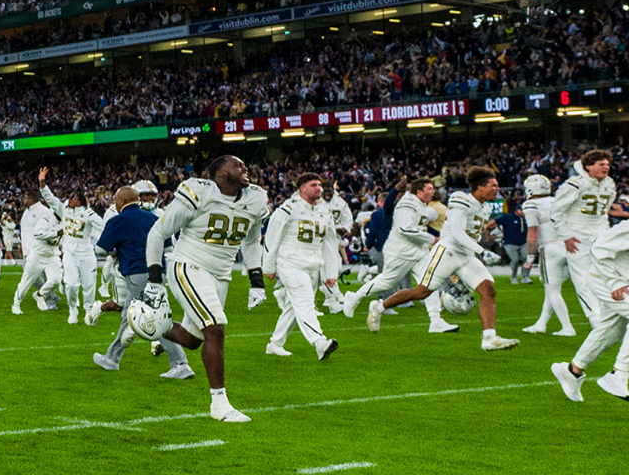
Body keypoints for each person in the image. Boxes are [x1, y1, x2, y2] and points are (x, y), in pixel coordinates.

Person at [143, 155, 269, 422]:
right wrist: (155, 279)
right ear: (220, 173)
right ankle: (219, 404)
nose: (245, 168)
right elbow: (157, 232)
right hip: (188, 265)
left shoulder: (256, 199)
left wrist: (255, 279)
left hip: (221, 274)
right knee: (215, 327)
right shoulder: (199, 192)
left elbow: (251, 240)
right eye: (238, 165)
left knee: (192, 339)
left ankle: (152, 325)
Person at [372, 167, 519, 350]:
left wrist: (478, 250)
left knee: (489, 291)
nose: (497, 189)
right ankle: (379, 307)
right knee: (422, 292)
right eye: (493, 185)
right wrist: (481, 251)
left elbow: (472, 234)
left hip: (466, 255)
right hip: (448, 251)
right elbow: (456, 233)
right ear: (480, 186)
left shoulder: (486, 207)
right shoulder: (461, 198)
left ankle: (489, 338)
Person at [551, 196, 629, 402]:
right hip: (608, 277)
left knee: (612, 331)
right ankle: (618, 374)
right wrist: (615, 283)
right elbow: (600, 247)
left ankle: (572, 371)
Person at [92, 186, 193, 378]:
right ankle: (112, 357)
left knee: (152, 318)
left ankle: (180, 364)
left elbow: (100, 251)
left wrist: (116, 252)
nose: (114, 203)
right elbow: (168, 244)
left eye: (115, 199)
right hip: (158, 271)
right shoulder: (153, 218)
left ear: (121, 201)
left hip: (137, 273)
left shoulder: (117, 221)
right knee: (129, 315)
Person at [343, 179, 443, 328]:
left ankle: (436, 321)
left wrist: (438, 236)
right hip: (400, 251)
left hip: (418, 251)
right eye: (429, 189)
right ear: (419, 191)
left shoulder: (420, 205)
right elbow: (406, 229)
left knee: (430, 282)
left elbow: (420, 227)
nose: (433, 191)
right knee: (387, 281)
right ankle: (355, 297)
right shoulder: (407, 204)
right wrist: (432, 239)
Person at [262, 172, 341, 360]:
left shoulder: (324, 211)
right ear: (302, 188)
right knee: (305, 303)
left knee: (292, 306)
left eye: (319, 184)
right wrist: (268, 266)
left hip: (313, 265)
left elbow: (330, 243)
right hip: (290, 263)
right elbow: (272, 238)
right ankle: (319, 342)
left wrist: (331, 272)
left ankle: (275, 343)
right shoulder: (288, 209)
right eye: (313, 185)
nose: (318, 188)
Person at [547, 149, 620, 327]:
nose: (606, 167)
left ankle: (609, 317)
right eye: (601, 164)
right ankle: (596, 321)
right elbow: (556, 212)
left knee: (606, 278)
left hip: (600, 237)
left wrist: (607, 234)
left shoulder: (609, 183)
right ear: (588, 166)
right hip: (578, 238)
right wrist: (566, 236)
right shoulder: (574, 184)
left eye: (607, 164)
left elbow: (604, 212)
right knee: (583, 281)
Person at [521, 173, 575, 336]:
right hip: (567, 245)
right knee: (551, 290)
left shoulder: (531, 204)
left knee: (553, 291)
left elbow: (533, 233)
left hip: (550, 248)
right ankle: (541, 323)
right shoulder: (556, 200)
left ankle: (567, 327)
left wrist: (530, 257)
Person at [11, 171, 65, 315]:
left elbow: (64, 237)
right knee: (28, 280)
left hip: (51, 253)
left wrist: (62, 251)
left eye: (25, 197)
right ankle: (17, 303)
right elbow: (37, 233)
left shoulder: (49, 213)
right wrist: (23, 246)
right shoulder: (45, 216)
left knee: (54, 279)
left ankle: (43, 296)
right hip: (36, 251)